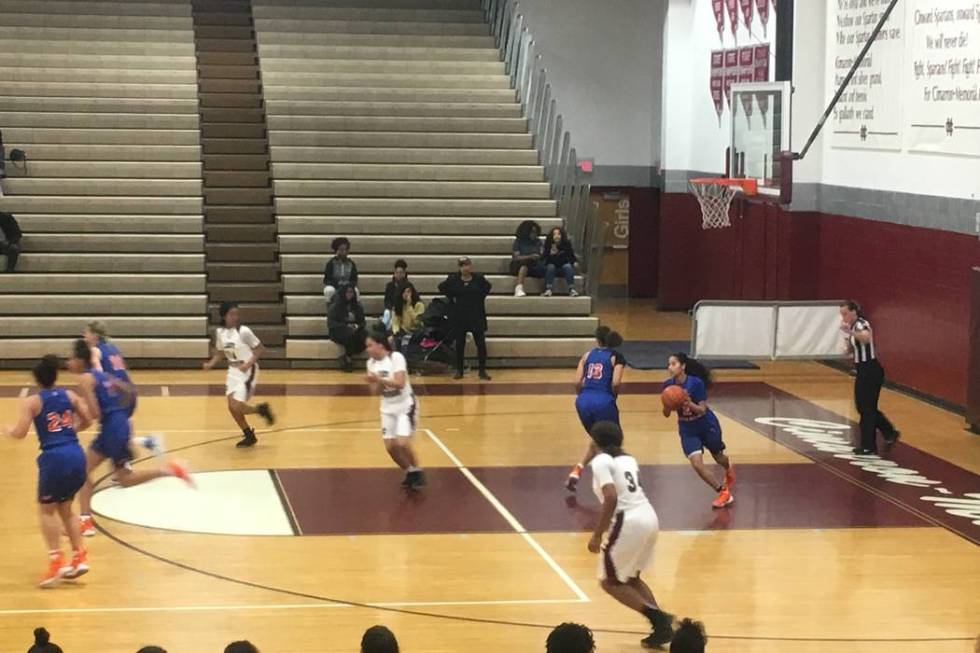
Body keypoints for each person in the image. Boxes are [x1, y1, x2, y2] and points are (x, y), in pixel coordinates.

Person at [70, 340, 194, 534]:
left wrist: (78, 417)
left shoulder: (85, 380)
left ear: (80, 360)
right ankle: (170, 470)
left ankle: (85, 520)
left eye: (71, 358)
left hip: (111, 428)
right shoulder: (102, 374)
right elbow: (128, 390)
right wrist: (120, 413)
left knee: (87, 472)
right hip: (119, 424)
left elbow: (95, 414)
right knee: (118, 477)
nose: (68, 362)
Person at [2, 356, 92, 587]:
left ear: (37, 379)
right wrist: (71, 428)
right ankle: (79, 556)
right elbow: (89, 419)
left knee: (46, 510)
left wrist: (7, 430)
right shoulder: (69, 396)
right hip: (75, 453)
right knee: (66, 508)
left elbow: (21, 433)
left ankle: (56, 563)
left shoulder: (33, 402)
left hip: (54, 458)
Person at [587, 421, 674, 649]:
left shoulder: (600, 462)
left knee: (609, 581)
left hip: (629, 521)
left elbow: (611, 497)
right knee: (631, 578)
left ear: (595, 442)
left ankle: (659, 618)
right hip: (648, 516)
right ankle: (661, 627)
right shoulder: (628, 459)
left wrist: (597, 534)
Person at [662, 353, 735, 508]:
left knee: (718, 457)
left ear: (683, 366)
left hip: (705, 423)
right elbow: (666, 414)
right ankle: (723, 492)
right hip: (687, 428)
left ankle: (729, 467)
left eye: (673, 364)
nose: (670, 367)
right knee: (696, 464)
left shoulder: (696, 383)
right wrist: (668, 405)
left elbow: (701, 410)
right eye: (669, 364)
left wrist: (687, 402)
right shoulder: (668, 386)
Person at [83, 321, 162, 455]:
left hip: (117, 395)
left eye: (86, 333)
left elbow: (99, 373)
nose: (84, 337)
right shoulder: (113, 348)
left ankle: (125, 462)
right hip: (128, 393)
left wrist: (97, 382)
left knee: (115, 431)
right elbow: (124, 369)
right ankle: (147, 442)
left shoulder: (95, 350)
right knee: (121, 431)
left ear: (95, 336)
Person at [202, 302, 275, 448]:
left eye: (236, 314)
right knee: (231, 407)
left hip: (248, 370)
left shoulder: (244, 331)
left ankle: (259, 411)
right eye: (231, 314)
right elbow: (221, 353)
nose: (235, 317)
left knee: (237, 405)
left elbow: (260, 349)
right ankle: (249, 433)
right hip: (233, 371)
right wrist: (211, 363)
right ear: (224, 316)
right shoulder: (220, 332)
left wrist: (248, 364)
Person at [566, 326, 626, 492]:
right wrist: (612, 396)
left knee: (599, 440)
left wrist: (583, 396)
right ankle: (616, 483)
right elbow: (615, 383)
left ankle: (577, 470)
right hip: (603, 401)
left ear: (597, 339)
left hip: (583, 402)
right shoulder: (616, 357)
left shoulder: (587, 355)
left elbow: (577, 382)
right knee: (614, 442)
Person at [364, 329, 425, 489]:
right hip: (387, 407)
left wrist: (379, 379)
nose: (367, 349)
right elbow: (375, 393)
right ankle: (410, 471)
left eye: (370, 345)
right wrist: (373, 383)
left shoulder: (396, 358)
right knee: (390, 447)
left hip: (405, 405)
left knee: (402, 443)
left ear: (380, 344)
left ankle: (418, 470)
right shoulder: (371, 364)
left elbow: (400, 383)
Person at [839, 300, 900, 455]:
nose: (843, 317)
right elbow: (856, 347)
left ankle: (868, 445)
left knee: (866, 409)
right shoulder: (853, 327)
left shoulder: (860, 324)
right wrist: (848, 348)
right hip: (862, 369)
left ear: (854, 312)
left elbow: (866, 338)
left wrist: (850, 333)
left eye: (845, 313)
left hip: (870, 369)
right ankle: (889, 431)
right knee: (864, 406)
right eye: (841, 314)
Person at [439, 256, 492, 380]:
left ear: (471, 266)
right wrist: (452, 298)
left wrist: (478, 299)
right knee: (460, 345)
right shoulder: (453, 279)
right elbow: (442, 287)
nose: (465, 268)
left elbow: (487, 288)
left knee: (481, 344)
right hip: (460, 316)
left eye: (467, 265)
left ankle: (482, 371)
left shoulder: (479, 279)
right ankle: (459, 370)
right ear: (459, 267)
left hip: (476, 315)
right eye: (462, 265)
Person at [328, 283, 367, 371]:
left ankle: (346, 357)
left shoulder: (357, 307)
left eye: (351, 292)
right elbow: (332, 323)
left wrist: (356, 326)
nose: (350, 294)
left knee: (366, 335)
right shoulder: (335, 307)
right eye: (348, 292)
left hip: (354, 329)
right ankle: (348, 359)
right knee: (349, 334)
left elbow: (362, 322)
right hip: (338, 330)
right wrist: (346, 326)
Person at [542, 226, 579, 297]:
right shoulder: (548, 244)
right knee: (551, 267)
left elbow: (571, 255)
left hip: (563, 267)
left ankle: (571, 289)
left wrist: (574, 262)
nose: (556, 236)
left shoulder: (566, 244)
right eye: (554, 234)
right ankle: (548, 289)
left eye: (558, 234)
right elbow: (544, 258)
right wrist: (551, 254)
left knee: (568, 266)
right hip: (552, 268)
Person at [511, 220, 544, 297]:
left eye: (536, 232)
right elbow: (516, 257)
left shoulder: (538, 242)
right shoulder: (518, 242)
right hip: (519, 265)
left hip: (534, 265)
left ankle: (546, 289)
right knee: (524, 265)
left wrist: (540, 256)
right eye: (532, 232)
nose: (534, 234)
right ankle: (519, 288)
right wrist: (530, 256)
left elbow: (542, 253)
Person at [322, 236, 358, 305]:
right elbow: (326, 280)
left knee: (356, 291)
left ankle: (353, 312)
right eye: (341, 250)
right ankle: (331, 311)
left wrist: (348, 285)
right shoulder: (331, 263)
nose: (344, 252)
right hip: (335, 286)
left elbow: (354, 279)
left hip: (348, 286)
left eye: (346, 250)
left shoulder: (351, 263)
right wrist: (337, 284)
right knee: (329, 290)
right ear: (336, 250)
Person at [382, 259, 410, 328]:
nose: (398, 275)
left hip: (403, 311)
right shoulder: (389, 285)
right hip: (391, 310)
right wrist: (391, 308)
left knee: (393, 321)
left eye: (401, 273)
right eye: (397, 272)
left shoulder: (408, 286)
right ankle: (382, 326)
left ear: (404, 274)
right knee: (387, 313)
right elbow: (387, 300)